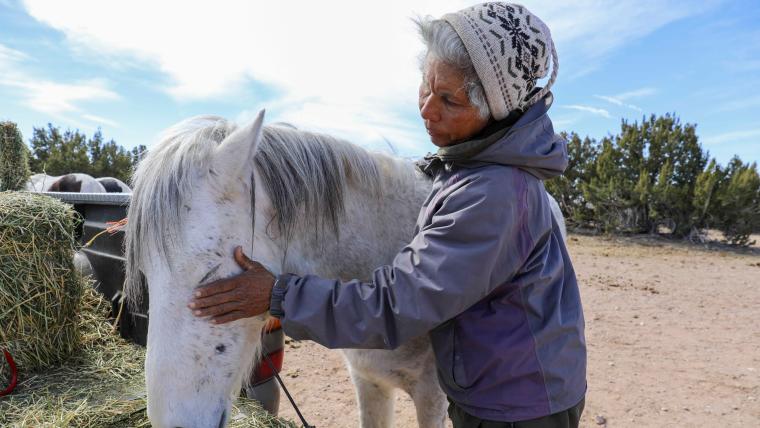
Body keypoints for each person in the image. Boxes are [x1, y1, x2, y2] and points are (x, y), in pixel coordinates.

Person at [189, 3, 586, 427]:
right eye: (426, 86)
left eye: (449, 99)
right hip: (505, 387)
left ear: (495, 111)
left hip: (519, 406)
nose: (427, 109)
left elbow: (400, 305)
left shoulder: (494, 193)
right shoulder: (471, 172)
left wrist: (277, 295)